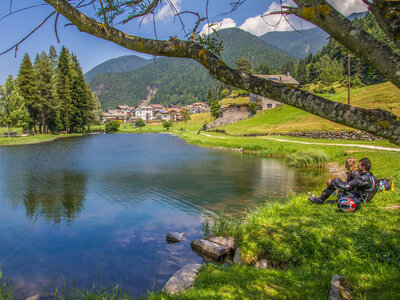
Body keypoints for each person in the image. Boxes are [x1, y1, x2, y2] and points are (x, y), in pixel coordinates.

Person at [308, 158, 380, 212]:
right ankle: (322, 199)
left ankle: (320, 199)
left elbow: (347, 186)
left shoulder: (363, 178)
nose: (358, 167)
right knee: (336, 182)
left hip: (356, 199)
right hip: (359, 197)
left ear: (364, 167)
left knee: (336, 181)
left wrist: (332, 183)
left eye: (359, 165)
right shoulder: (373, 178)